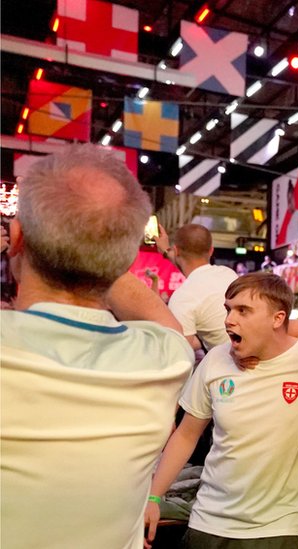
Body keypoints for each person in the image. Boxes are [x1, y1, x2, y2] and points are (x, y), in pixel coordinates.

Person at [1, 144, 194, 549]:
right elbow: (167, 324)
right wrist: (102, 246)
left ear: (17, 238)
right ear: (123, 258)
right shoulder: (163, 362)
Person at [144, 273, 298, 549]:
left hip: (275, 530)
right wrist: (154, 497)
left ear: (278, 319)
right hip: (207, 524)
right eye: (228, 309)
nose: (230, 319)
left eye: (243, 310)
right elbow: (186, 435)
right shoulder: (217, 359)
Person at [157, 223, 238, 352]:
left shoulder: (182, 297)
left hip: (232, 366)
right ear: (211, 250)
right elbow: (195, 275)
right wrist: (166, 252)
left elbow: (180, 350)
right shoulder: (229, 274)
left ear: (176, 250)